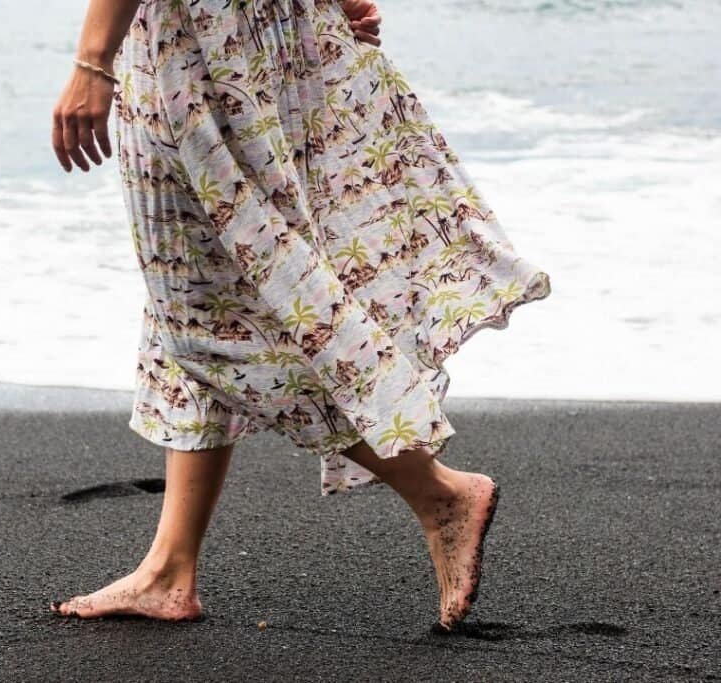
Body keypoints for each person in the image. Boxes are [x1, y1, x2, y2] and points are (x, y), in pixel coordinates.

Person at [49, 0, 551, 633]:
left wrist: (93, 61)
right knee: (207, 295)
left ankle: (437, 493)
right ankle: (170, 568)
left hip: (195, 55)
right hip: (269, 40)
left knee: (208, 322)